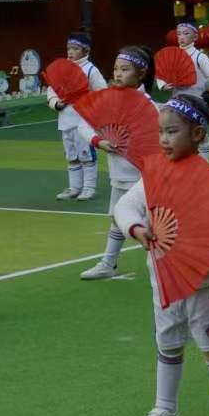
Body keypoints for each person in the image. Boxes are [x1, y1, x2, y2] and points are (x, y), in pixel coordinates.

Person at [112, 92, 209, 416]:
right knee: (168, 342)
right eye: (161, 132)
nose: (163, 140)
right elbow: (126, 205)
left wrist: (199, 247)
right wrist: (137, 229)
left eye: (172, 132)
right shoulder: (154, 172)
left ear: (199, 134)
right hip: (164, 278)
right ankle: (165, 410)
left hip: (202, 281)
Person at [83, 46, 155, 280]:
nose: (118, 73)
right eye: (116, 68)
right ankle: (108, 262)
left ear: (141, 73)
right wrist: (98, 141)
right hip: (119, 174)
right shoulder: (109, 100)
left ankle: (167, 260)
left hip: (144, 177)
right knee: (118, 217)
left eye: (125, 69)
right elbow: (84, 124)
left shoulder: (149, 105)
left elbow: (158, 139)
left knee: (154, 222)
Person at [51, 32, 107, 201]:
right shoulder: (62, 68)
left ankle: (89, 188)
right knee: (71, 155)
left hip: (84, 121)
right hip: (65, 119)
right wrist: (55, 103)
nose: (71, 52)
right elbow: (52, 90)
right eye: (69, 48)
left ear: (85, 50)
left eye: (75, 48)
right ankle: (74, 187)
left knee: (86, 155)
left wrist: (92, 108)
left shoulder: (91, 70)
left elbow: (102, 92)